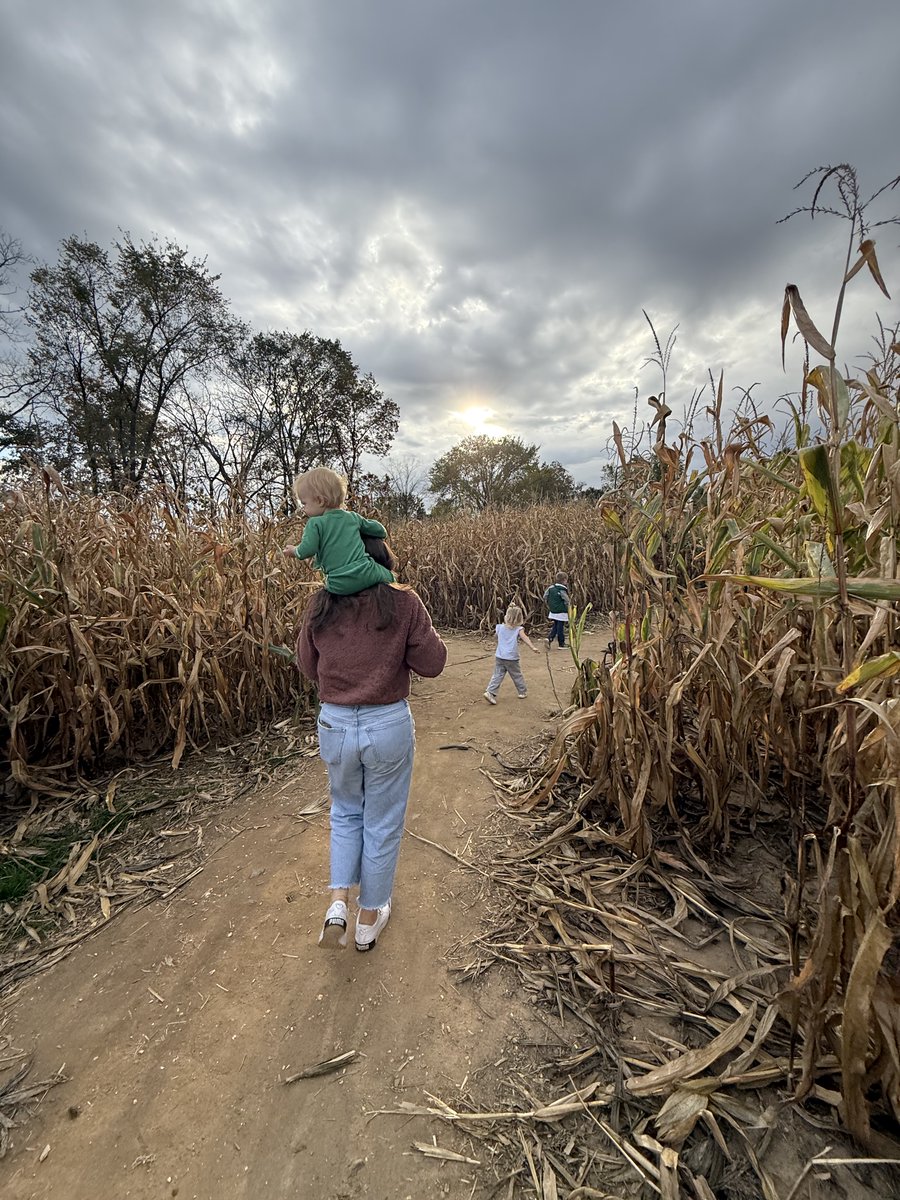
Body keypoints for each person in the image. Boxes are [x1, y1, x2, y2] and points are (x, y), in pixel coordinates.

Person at [296, 534, 447, 952]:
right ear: (382, 558)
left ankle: (337, 906)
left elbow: (309, 666)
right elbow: (432, 663)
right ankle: (367, 920)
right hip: (387, 725)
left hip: (336, 724)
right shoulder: (404, 602)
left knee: (345, 812)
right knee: (381, 822)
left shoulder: (320, 604)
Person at [283, 466, 394, 595]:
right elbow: (380, 531)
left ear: (319, 500)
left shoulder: (315, 523)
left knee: (325, 594)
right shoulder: (352, 517)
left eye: (304, 504)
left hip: (337, 583)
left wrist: (294, 550)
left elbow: (306, 551)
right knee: (391, 578)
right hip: (365, 572)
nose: (303, 509)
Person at [483, 603, 539, 704]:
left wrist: (493, 642)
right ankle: (522, 692)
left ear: (506, 616)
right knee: (516, 675)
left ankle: (490, 692)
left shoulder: (499, 627)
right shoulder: (519, 629)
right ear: (519, 618)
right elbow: (525, 638)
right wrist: (533, 647)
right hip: (512, 658)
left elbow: (496, 637)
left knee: (497, 674)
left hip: (500, 656)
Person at [543, 571, 571, 648]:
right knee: (560, 627)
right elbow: (567, 600)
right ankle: (561, 643)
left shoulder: (551, 588)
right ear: (564, 580)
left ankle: (549, 638)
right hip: (561, 611)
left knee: (555, 625)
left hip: (553, 611)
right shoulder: (561, 589)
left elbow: (545, 596)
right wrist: (569, 607)